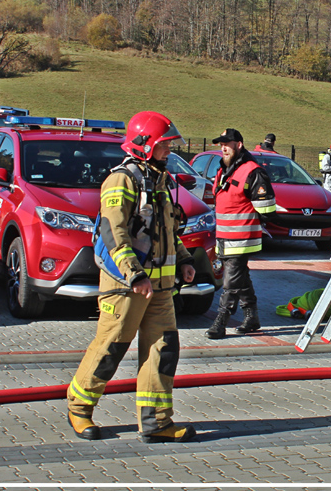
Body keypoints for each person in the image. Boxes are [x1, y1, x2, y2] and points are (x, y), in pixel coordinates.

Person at [67, 111, 197, 444]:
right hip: (127, 287)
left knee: (163, 351)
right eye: (165, 145)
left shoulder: (160, 180)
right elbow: (114, 232)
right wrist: (134, 274)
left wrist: (183, 259)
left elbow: (166, 230)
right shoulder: (122, 180)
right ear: (145, 145)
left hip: (161, 289)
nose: (170, 151)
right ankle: (79, 408)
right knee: (111, 348)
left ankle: (156, 422)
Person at [207, 128, 277, 340]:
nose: (223, 147)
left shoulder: (252, 171)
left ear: (239, 144)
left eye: (227, 144)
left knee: (230, 281)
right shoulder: (223, 170)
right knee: (241, 278)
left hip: (242, 239)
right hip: (224, 238)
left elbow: (267, 208)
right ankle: (251, 317)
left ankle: (221, 321)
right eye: (221, 144)